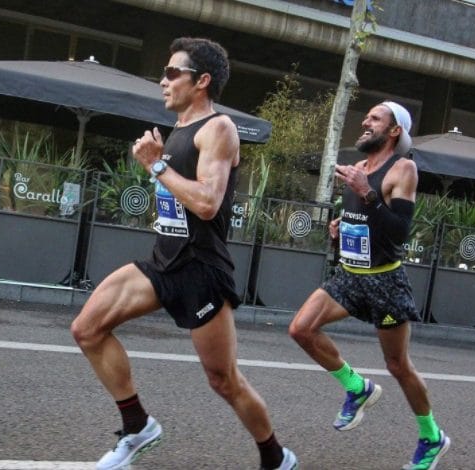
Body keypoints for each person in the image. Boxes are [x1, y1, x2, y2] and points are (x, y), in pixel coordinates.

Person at [71, 37, 298, 470]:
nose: (164, 81)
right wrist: (159, 164)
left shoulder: (219, 129)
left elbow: (208, 202)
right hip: (163, 261)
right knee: (87, 329)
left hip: (201, 270)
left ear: (202, 81)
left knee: (224, 380)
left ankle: (276, 457)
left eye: (173, 73)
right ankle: (137, 426)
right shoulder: (178, 132)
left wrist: (157, 166)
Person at [288, 101, 450, 470]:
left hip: (385, 281)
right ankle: (357, 387)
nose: (366, 120)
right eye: (367, 116)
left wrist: (368, 193)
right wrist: (340, 230)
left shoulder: (403, 169)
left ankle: (431, 436)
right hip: (349, 274)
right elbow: (364, 221)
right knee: (300, 329)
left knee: (398, 365)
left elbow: (398, 231)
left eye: (376, 118)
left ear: (394, 131)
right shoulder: (358, 168)